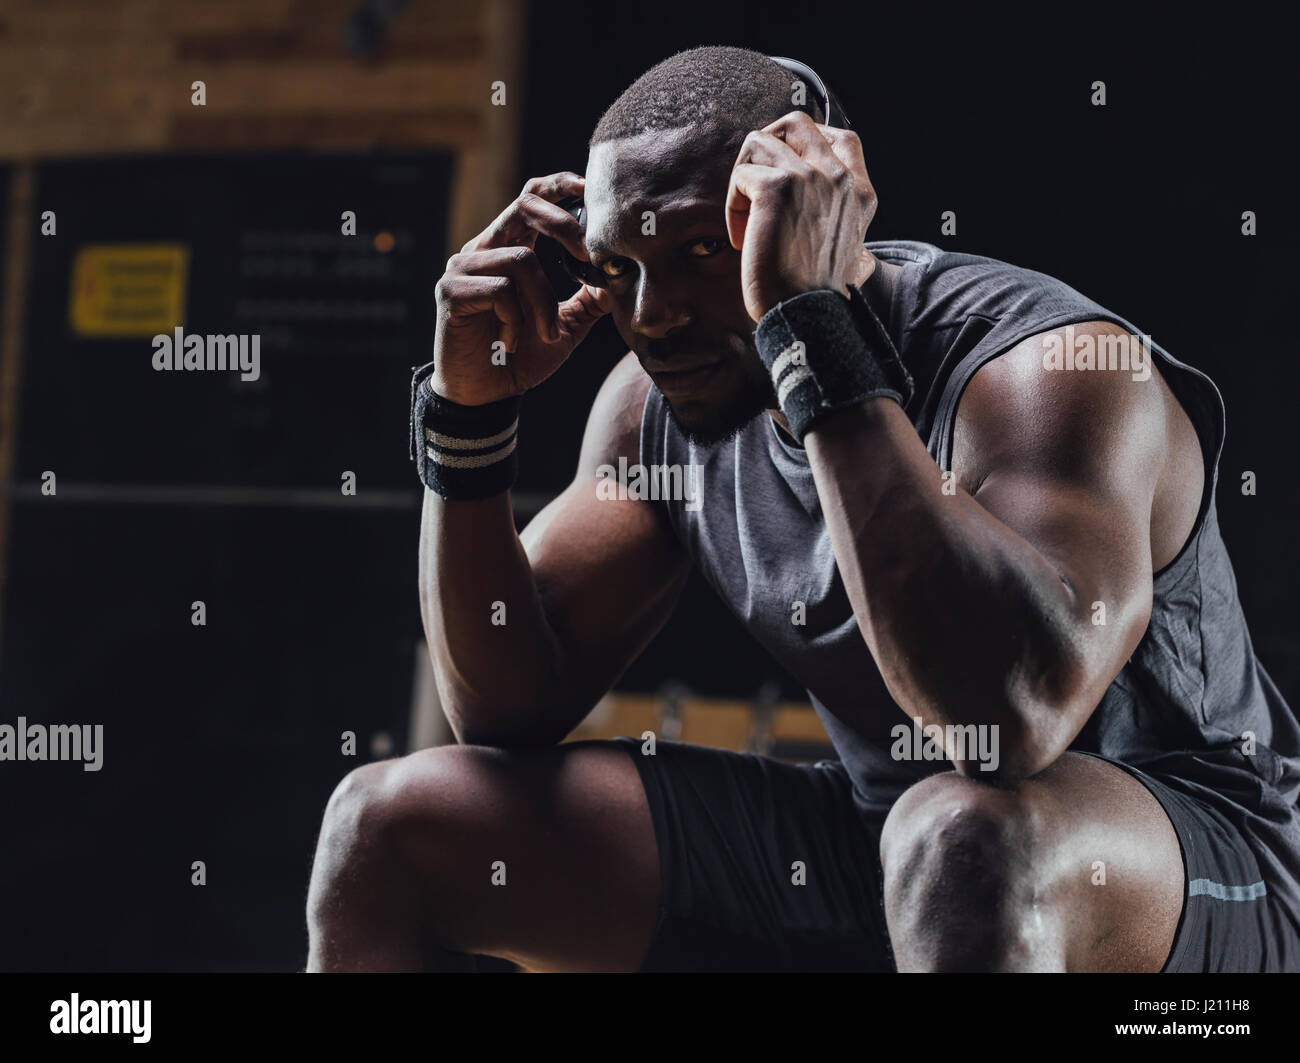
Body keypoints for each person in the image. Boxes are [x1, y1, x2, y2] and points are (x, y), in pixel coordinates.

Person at [305, 45, 1300, 972]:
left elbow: (1007, 723)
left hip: (1192, 868)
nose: (649, 316)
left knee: (963, 835)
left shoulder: (1041, 370)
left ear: (818, 214)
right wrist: (468, 429)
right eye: (619, 267)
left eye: (699, 248)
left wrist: (805, 326)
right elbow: (505, 703)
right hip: (892, 844)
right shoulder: (652, 413)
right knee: (388, 822)